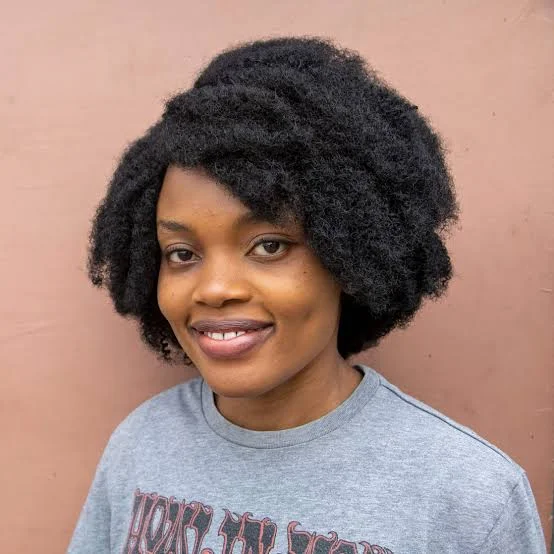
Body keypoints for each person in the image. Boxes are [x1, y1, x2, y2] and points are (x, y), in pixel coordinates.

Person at [68, 37, 546, 553]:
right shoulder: (141, 445)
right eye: (182, 253)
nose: (215, 289)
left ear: (349, 254)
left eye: (269, 245)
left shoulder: (469, 499)